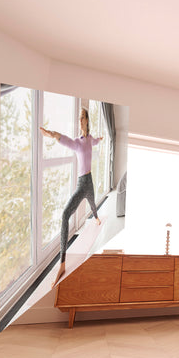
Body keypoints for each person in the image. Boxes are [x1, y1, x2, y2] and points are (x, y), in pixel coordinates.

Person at [40, 107, 103, 287]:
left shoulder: (90, 140)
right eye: (79, 117)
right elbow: (63, 139)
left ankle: (97, 218)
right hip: (81, 184)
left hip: (89, 182)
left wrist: (100, 139)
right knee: (65, 215)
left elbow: (96, 141)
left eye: (82, 117)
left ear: (87, 120)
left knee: (93, 206)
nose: (79, 120)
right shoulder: (77, 142)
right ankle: (62, 264)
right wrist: (50, 134)